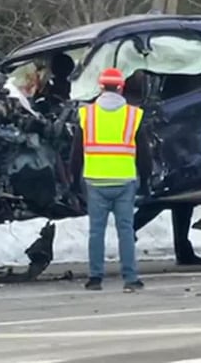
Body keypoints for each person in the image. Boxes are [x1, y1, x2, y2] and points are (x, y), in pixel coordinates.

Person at [75, 67, 145, 292]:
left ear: (101, 87)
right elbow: (145, 153)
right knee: (126, 230)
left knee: (96, 231)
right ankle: (130, 279)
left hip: (95, 181)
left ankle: (95, 279)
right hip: (125, 181)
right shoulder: (133, 115)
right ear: (121, 88)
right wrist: (147, 177)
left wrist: (72, 179)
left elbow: (75, 153)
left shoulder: (87, 114)